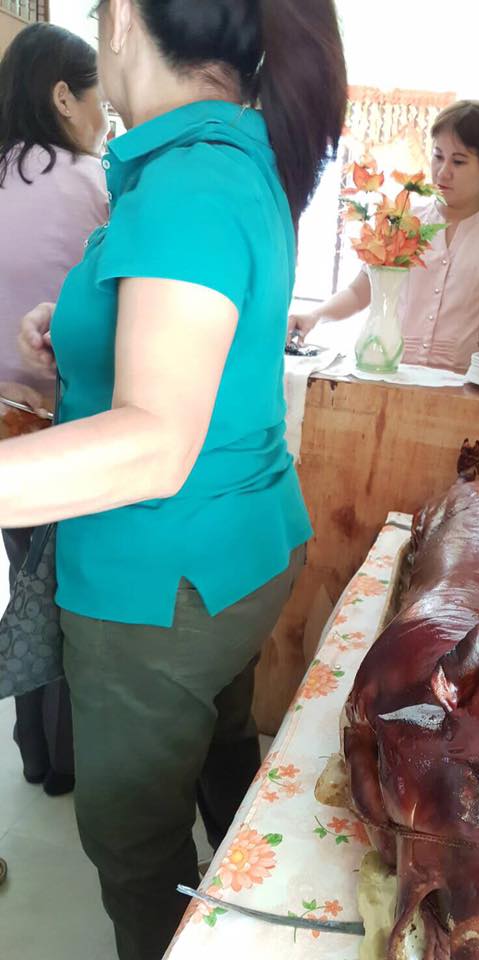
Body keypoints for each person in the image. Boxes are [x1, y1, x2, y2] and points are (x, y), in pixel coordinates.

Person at [2, 0, 346, 957]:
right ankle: (250, 912)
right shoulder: (230, 156)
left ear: (120, 20)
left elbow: (155, 440)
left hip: (158, 583)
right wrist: (77, 322)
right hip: (239, 550)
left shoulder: (187, 181)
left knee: (132, 840)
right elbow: (200, 337)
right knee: (223, 757)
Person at [0, 23, 109, 796]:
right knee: (68, 586)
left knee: (22, 575)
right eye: (99, 96)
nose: (106, 114)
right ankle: (64, 754)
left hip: (3, 424)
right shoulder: (95, 183)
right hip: (69, 421)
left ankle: (30, 745)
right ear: (64, 96)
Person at [287, 99, 479, 373]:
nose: (443, 172)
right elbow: (360, 292)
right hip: (390, 372)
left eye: (458, 161)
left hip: (463, 384)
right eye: (437, 156)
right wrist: (315, 316)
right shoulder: (402, 217)